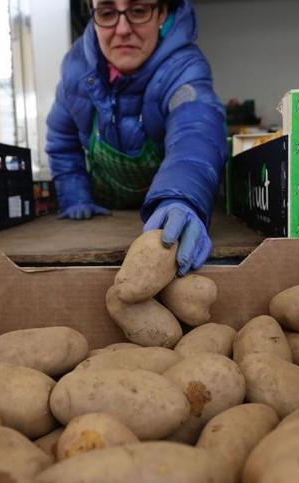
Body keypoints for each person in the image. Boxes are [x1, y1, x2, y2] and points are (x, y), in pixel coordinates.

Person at [46, 0, 227, 276]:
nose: (122, 29)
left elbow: (196, 130)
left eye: (139, 10)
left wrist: (183, 197)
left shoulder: (182, 69)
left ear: (162, 13)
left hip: (166, 208)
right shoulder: (76, 74)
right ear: (93, 17)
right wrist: (74, 196)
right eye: (107, 13)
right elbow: (62, 141)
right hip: (106, 215)